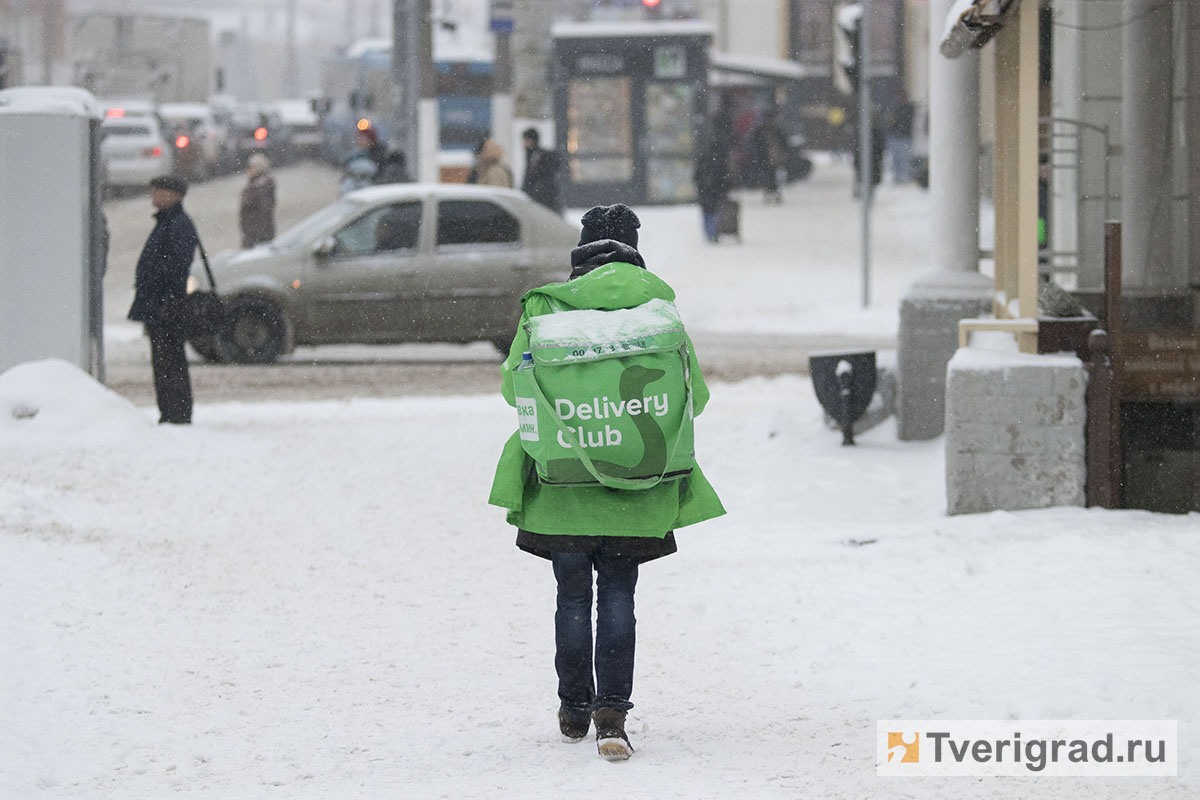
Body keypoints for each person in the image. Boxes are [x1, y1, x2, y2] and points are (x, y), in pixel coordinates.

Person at [489, 203, 726, 761]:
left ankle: (573, 709)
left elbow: (512, 389)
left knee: (572, 597)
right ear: (634, 249)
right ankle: (612, 717)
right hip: (637, 486)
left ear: (583, 248)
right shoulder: (656, 308)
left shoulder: (546, 307)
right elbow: (699, 397)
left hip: (561, 486)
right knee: (618, 593)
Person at [127, 174, 198, 425]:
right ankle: (170, 412)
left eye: (158, 191)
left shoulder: (177, 224)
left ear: (173, 195)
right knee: (164, 360)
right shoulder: (167, 222)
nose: (154, 196)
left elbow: (176, 267)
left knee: (170, 361)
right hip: (160, 306)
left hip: (167, 307)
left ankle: (176, 413)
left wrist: (165, 301)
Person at [694, 126, 731, 243]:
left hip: (705, 190)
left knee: (707, 212)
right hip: (716, 190)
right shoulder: (720, 160)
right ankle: (714, 232)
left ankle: (710, 233)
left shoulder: (703, 157)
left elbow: (697, 175)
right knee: (715, 210)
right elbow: (724, 176)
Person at [520, 127, 563, 213]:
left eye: (526, 140)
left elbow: (532, 176)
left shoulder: (537, 156)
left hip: (542, 199)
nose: (524, 143)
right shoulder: (532, 155)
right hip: (541, 197)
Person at [751, 106, 788, 204]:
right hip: (766, 157)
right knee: (770, 175)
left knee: (771, 176)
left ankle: (771, 192)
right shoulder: (763, 131)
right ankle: (771, 193)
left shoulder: (770, 131)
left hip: (769, 157)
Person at [239, 152, 276, 248]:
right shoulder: (259, 185)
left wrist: (256, 234)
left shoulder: (260, 187)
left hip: (257, 237)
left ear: (257, 168)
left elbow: (265, 211)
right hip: (255, 234)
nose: (248, 170)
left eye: (250, 167)